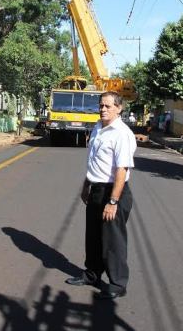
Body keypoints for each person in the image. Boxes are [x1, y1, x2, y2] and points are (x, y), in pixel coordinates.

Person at [66, 91, 137, 300]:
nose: (103, 109)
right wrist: (86, 185)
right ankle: (92, 274)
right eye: (101, 106)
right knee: (94, 236)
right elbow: (94, 161)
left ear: (119, 108)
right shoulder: (98, 127)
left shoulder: (122, 133)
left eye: (108, 106)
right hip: (96, 188)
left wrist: (113, 201)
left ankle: (117, 283)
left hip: (114, 191)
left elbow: (121, 171)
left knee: (112, 241)